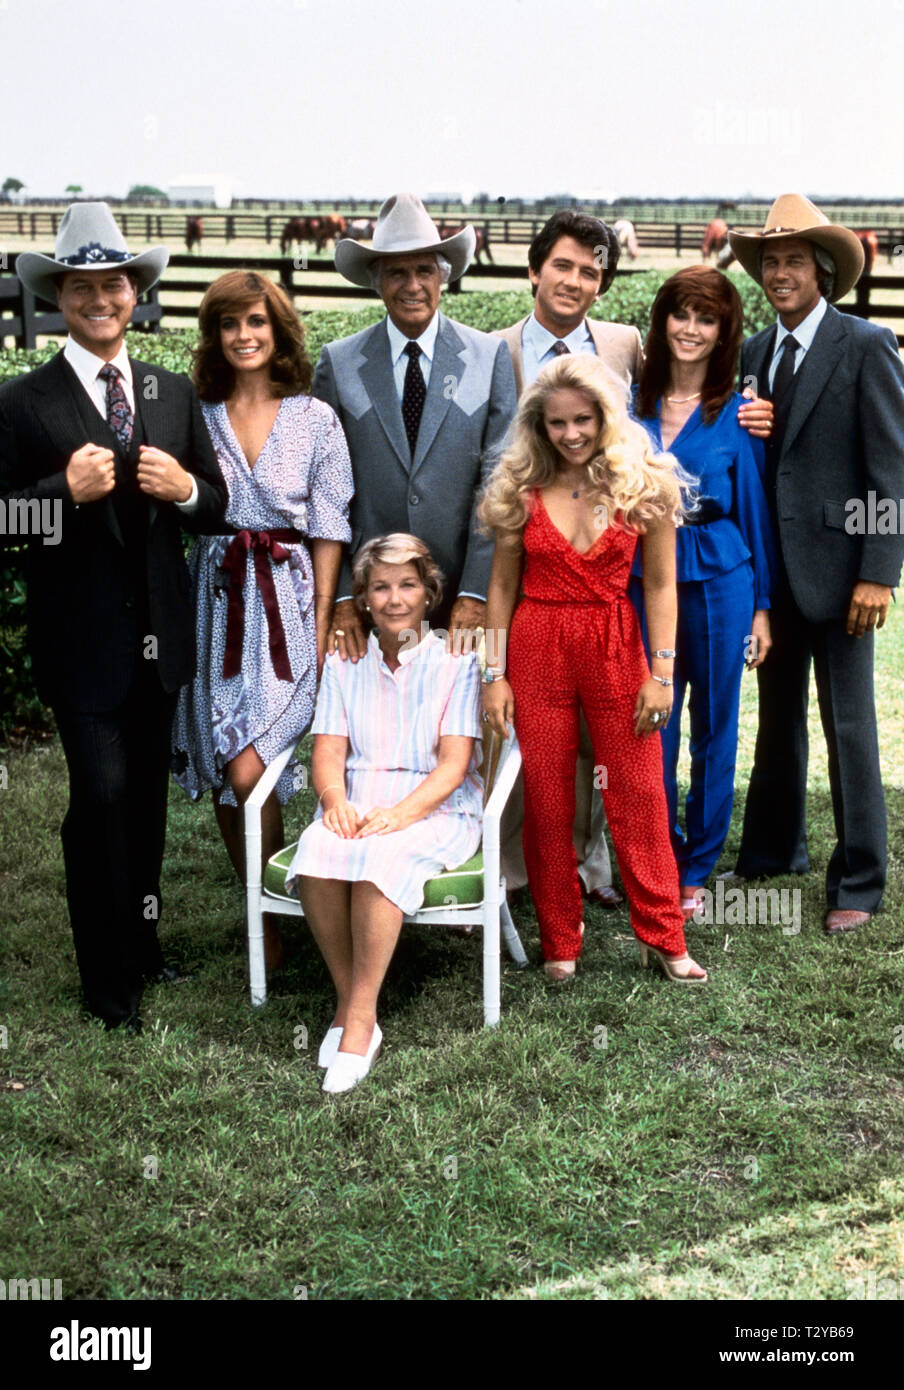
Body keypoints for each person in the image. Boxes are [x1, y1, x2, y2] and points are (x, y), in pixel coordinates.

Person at [0, 202, 227, 1031]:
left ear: (135, 293)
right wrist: (62, 495)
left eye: (114, 284)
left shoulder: (169, 392)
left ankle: (142, 945)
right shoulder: (23, 401)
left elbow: (218, 507)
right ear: (59, 296)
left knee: (144, 807)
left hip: (159, 642)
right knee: (99, 799)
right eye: (82, 286)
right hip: (81, 644)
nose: (100, 299)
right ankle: (106, 983)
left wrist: (190, 491)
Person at [480, 354, 707, 984]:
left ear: (607, 417)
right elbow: (500, 590)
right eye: (557, 423)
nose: (572, 434)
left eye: (584, 419)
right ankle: (561, 939)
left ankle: (663, 935)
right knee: (548, 797)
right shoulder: (519, 486)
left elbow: (661, 585)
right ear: (538, 426)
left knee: (637, 790)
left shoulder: (645, 483)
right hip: (537, 640)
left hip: (614, 638)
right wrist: (493, 675)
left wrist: (660, 673)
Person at [725, 194, 904, 934]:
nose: (779, 273)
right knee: (777, 722)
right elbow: (763, 462)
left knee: (852, 726)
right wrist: (751, 427)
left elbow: (891, 467)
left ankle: (860, 878)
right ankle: (772, 854)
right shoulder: (756, 354)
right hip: (776, 572)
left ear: (824, 270)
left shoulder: (864, 345)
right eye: (771, 262)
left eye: (794, 260)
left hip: (843, 572)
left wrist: (878, 573)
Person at [171, 273, 353, 964]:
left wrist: (324, 613)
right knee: (227, 761)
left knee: (255, 765)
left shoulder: (314, 417)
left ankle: (283, 894)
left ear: (277, 329)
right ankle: (263, 917)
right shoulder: (197, 412)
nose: (244, 336)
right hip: (216, 601)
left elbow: (331, 525)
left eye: (256, 322)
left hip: (288, 601)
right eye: (228, 325)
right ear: (214, 336)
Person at [287, 534, 483, 1094]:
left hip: (436, 806)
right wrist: (333, 800)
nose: (395, 599)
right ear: (364, 598)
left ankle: (360, 1021)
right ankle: (351, 1002)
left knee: (382, 855)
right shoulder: (346, 659)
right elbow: (327, 750)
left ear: (428, 592)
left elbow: (454, 766)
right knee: (320, 847)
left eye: (407, 585)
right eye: (380, 587)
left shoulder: (456, 659)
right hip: (359, 796)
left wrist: (400, 815)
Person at [311, 192, 517, 656]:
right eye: (397, 272)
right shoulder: (339, 363)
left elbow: (500, 484)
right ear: (376, 280)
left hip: (462, 597)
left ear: (443, 277)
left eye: (424, 270)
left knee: (454, 728)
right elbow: (324, 495)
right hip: (372, 597)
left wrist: (477, 590)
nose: (412, 285)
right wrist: (345, 595)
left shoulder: (488, 357)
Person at [631, 266, 777, 915]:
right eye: (681, 314)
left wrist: (764, 607)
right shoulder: (632, 408)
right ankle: (660, 848)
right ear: (663, 322)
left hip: (722, 576)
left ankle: (698, 865)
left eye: (707, 318)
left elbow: (755, 510)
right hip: (643, 579)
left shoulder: (742, 415)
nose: (691, 329)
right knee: (651, 721)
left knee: (715, 726)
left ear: (723, 333)